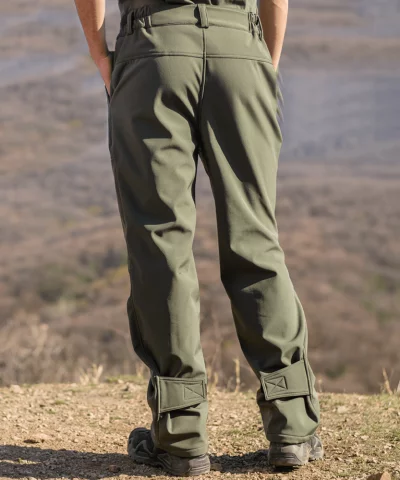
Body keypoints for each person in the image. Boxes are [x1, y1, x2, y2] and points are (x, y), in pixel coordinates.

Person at [74, 0, 323, 475]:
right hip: (240, 46)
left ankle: (182, 434)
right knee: (255, 237)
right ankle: (291, 424)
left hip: (153, 49)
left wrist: (101, 53)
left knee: (160, 242)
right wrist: (261, 59)